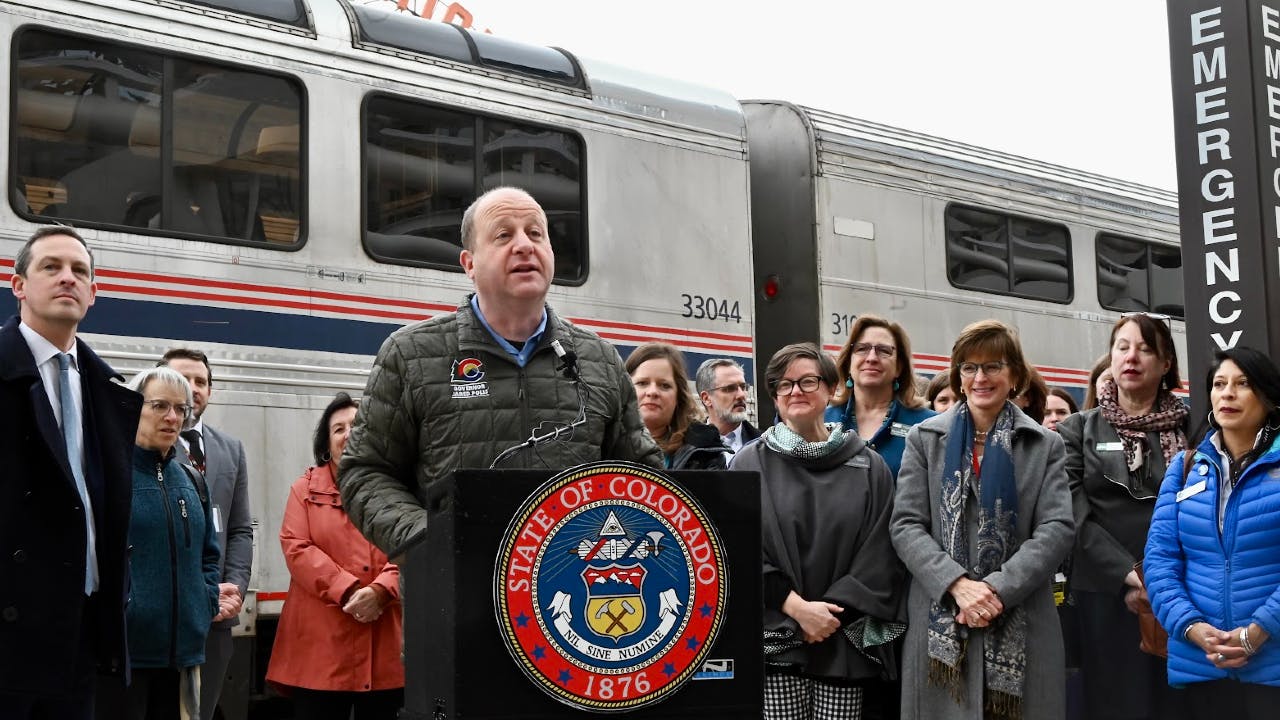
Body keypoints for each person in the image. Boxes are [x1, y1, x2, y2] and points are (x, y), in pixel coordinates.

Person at [339, 187, 662, 556]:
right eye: (504, 235)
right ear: (469, 264)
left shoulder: (598, 359)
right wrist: (431, 540)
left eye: (536, 233)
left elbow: (643, 474)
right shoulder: (410, 354)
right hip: (456, 591)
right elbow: (365, 472)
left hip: (569, 592)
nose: (525, 245)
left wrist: (608, 543)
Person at [891, 319, 1075, 720]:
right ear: (958, 376)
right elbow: (905, 524)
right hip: (941, 624)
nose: (980, 377)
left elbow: (1057, 528)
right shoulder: (924, 439)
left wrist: (995, 590)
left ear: (1014, 376)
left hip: (1022, 619)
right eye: (969, 367)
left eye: (993, 366)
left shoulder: (1045, 445)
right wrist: (957, 585)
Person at [1, 225, 142, 718]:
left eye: (80, 271)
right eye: (51, 267)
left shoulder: (109, 391)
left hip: (79, 630)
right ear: (18, 285)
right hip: (8, 637)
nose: (68, 279)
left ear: (94, 293)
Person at [730, 343, 903, 719]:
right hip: (776, 636)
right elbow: (738, 552)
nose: (796, 391)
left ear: (830, 389)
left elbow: (881, 553)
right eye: (784, 384)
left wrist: (826, 618)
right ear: (774, 396)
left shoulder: (869, 465)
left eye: (808, 381)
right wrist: (797, 611)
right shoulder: (748, 463)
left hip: (842, 639)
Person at [1057, 313, 1188, 720]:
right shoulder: (1076, 430)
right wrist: (1132, 577)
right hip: (1105, 596)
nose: (1132, 357)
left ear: (1166, 364)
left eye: (1146, 349)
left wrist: (1162, 583)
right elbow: (1073, 518)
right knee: (1115, 705)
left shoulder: (1194, 429)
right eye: (1123, 347)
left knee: (1179, 704)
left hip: (1181, 594)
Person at [1144, 347, 1280, 718]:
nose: (1227, 394)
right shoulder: (1185, 466)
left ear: (1268, 397)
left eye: (1243, 384)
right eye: (1219, 384)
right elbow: (1159, 561)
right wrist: (1191, 626)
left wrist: (1258, 631)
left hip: (1273, 665)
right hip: (1203, 661)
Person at [267, 393, 404, 719]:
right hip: (320, 654)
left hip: (388, 650)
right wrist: (351, 590)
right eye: (338, 429)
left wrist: (383, 590)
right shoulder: (303, 490)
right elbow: (296, 547)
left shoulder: (401, 488)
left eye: (356, 426)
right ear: (326, 444)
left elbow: (415, 545)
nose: (348, 434)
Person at [105, 366, 220, 720]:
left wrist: (205, 601)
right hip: (125, 658)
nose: (171, 417)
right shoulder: (112, 475)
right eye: (159, 406)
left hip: (182, 655)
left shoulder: (191, 479)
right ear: (135, 407)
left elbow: (209, 554)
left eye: (180, 409)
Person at [160, 348, 253, 720]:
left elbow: (240, 529)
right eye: (183, 379)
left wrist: (233, 590)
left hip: (217, 626)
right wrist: (200, 595)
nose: (193, 388)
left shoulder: (230, 449)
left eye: (201, 381)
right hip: (168, 621)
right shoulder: (147, 445)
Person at [825, 314, 935, 477]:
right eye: (862, 349)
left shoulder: (929, 426)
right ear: (848, 363)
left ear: (899, 367)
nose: (871, 358)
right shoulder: (822, 420)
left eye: (884, 351)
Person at [627, 343, 728, 469]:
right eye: (642, 383)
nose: (652, 392)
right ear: (625, 389)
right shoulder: (603, 444)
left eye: (664, 385)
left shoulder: (705, 453)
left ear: (678, 396)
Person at [695, 357, 760, 453]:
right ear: (706, 398)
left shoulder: (765, 445)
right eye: (730, 388)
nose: (741, 395)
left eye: (743, 387)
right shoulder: (686, 446)